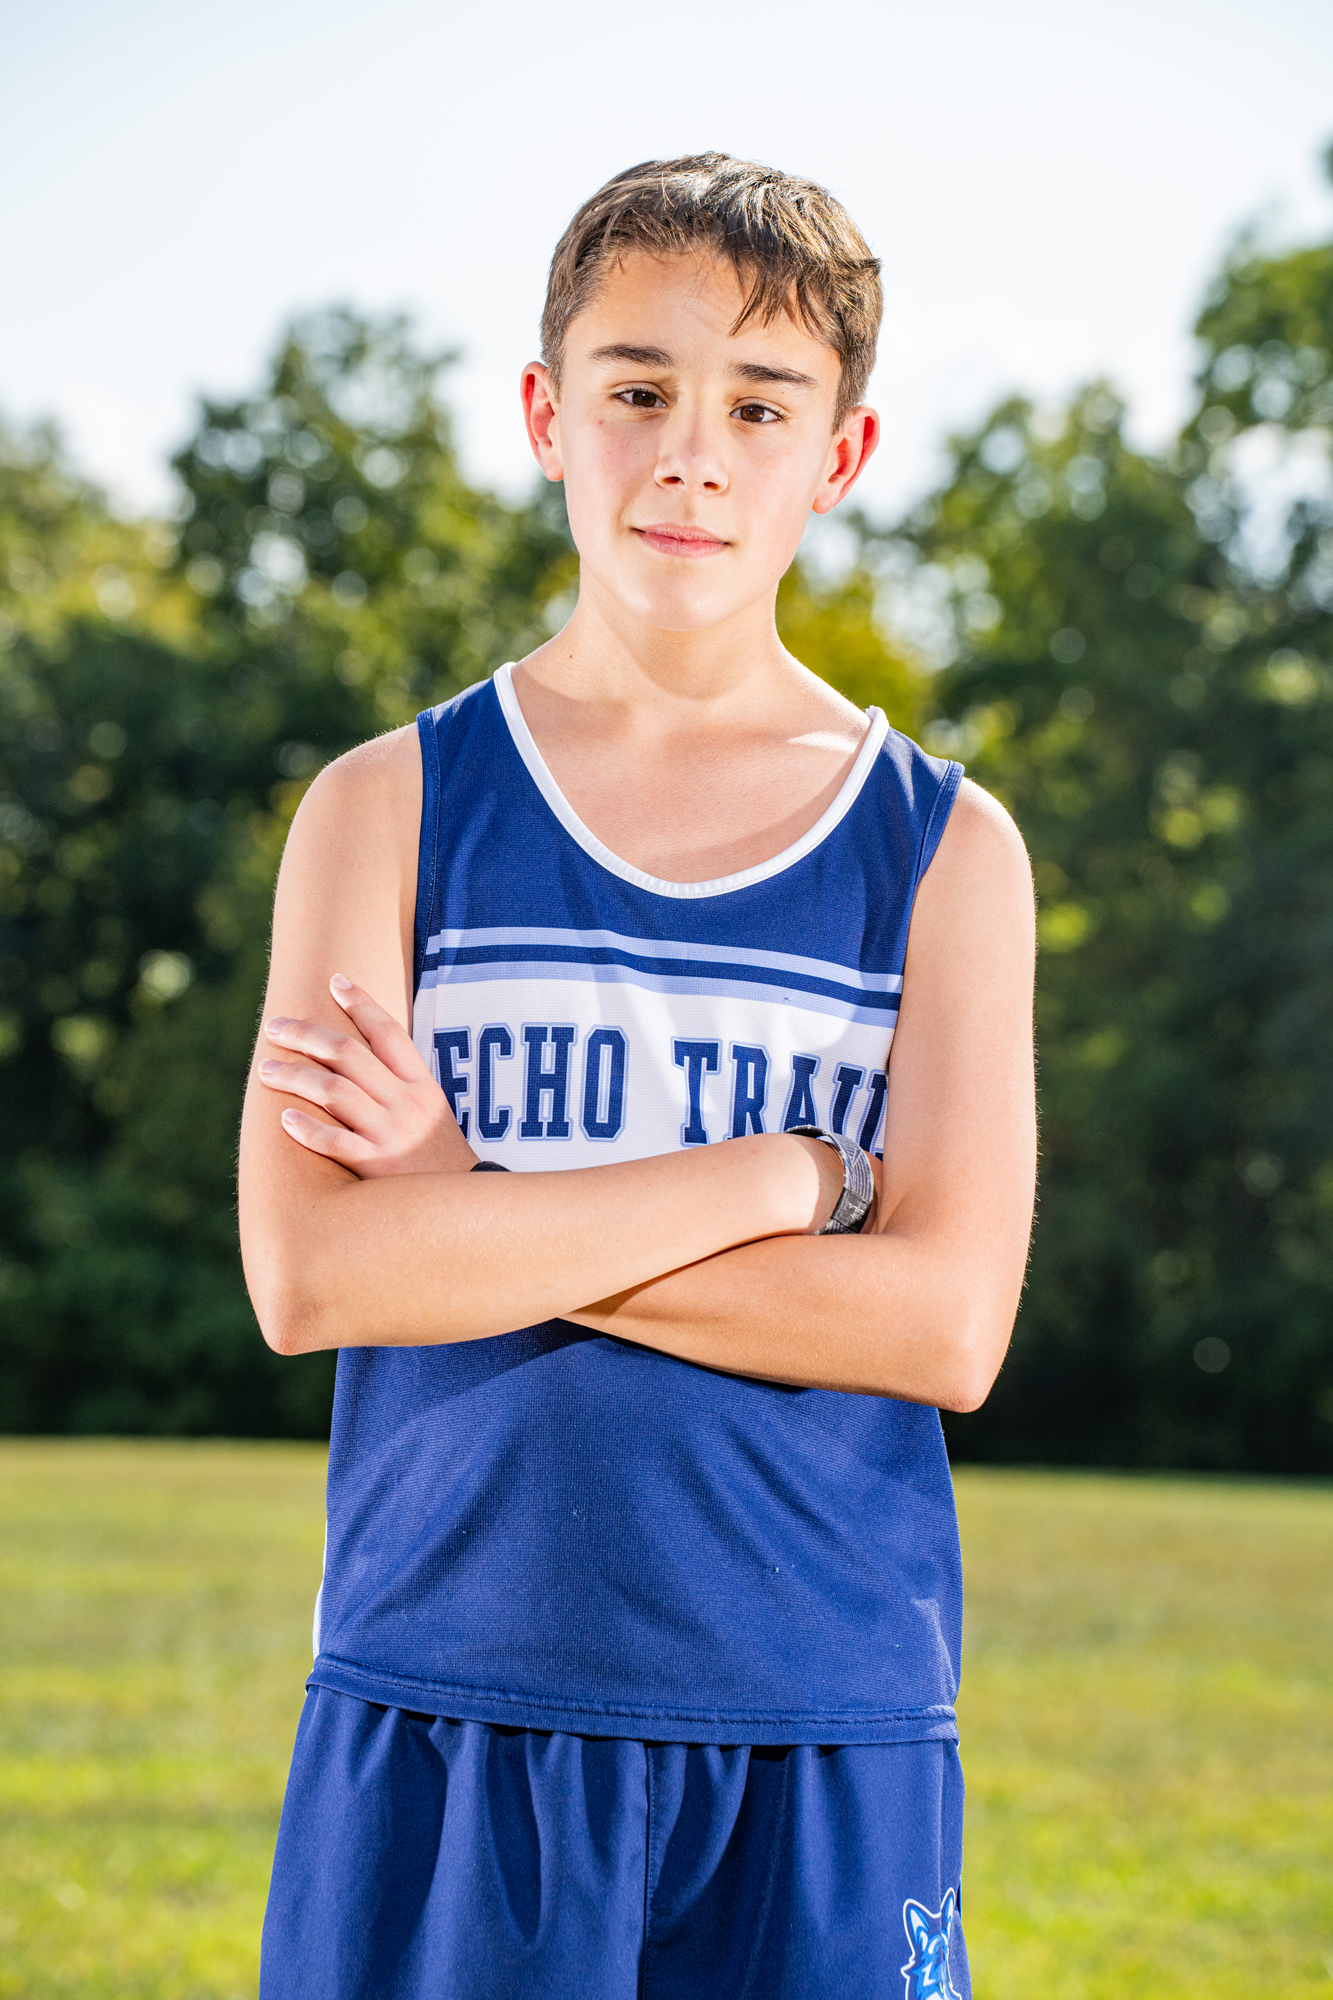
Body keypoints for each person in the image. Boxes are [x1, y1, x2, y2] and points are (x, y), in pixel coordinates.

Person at [240, 153, 1036, 1999]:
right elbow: (315, 1275)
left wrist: (467, 1212)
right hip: (449, 1693)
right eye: (636, 390)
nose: (690, 455)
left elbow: (939, 1328)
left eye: (758, 406)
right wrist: (776, 1181)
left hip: (820, 1716)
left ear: (837, 454)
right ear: (545, 415)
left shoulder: (939, 849)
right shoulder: (390, 808)